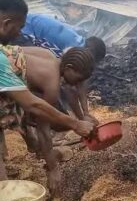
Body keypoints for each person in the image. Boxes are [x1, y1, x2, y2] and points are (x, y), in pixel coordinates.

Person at [0, 45, 94, 181]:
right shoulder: (52, 84)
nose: (77, 84)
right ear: (68, 68)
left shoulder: (47, 54)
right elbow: (42, 129)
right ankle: (4, 188)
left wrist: (84, 115)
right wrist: (53, 169)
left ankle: (35, 148)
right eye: (78, 79)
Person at [19, 13, 106, 124]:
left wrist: (86, 113)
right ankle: (30, 113)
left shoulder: (80, 48)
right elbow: (69, 88)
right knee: (47, 85)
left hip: (31, 27)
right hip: (24, 28)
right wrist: (81, 119)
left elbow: (81, 83)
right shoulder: (73, 51)